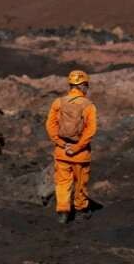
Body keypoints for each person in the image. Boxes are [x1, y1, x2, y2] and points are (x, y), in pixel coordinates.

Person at [45, 69, 97, 224]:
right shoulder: (89, 106)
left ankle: (63, 211)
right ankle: (80, 210)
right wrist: (77, 147)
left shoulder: (58, 102)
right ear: (84, 85)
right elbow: (91, 130)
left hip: (62, 152)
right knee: (80, 182)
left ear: (70, 85)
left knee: (62, 182)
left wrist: (60, 143)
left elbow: (50, 125)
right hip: (80, 155)